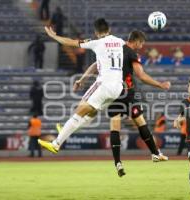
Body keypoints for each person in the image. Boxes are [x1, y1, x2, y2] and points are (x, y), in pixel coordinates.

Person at [69, 30, 170, 177]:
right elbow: (141, 75)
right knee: (141, 122)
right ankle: (155, 153)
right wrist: (160, 85)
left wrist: (82, 79)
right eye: (141, 43)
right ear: (136, 41)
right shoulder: (130, 52)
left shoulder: (113, 48)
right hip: (128, 93)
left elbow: (94, 66)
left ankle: (118, 162)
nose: (141, 46)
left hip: (113, 93)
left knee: (115, 126)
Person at [38, 18, 125, 154]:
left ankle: (56, 143)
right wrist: (84, 78)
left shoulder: (96, 43)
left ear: (96, 32)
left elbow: (70, 42)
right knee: (91, 113)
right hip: (118, 87)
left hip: (104, 84)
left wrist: (53, 36)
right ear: (109, 30)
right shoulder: (120, 42)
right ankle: (67, 130)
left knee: (79, 111)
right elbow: (99, 64)